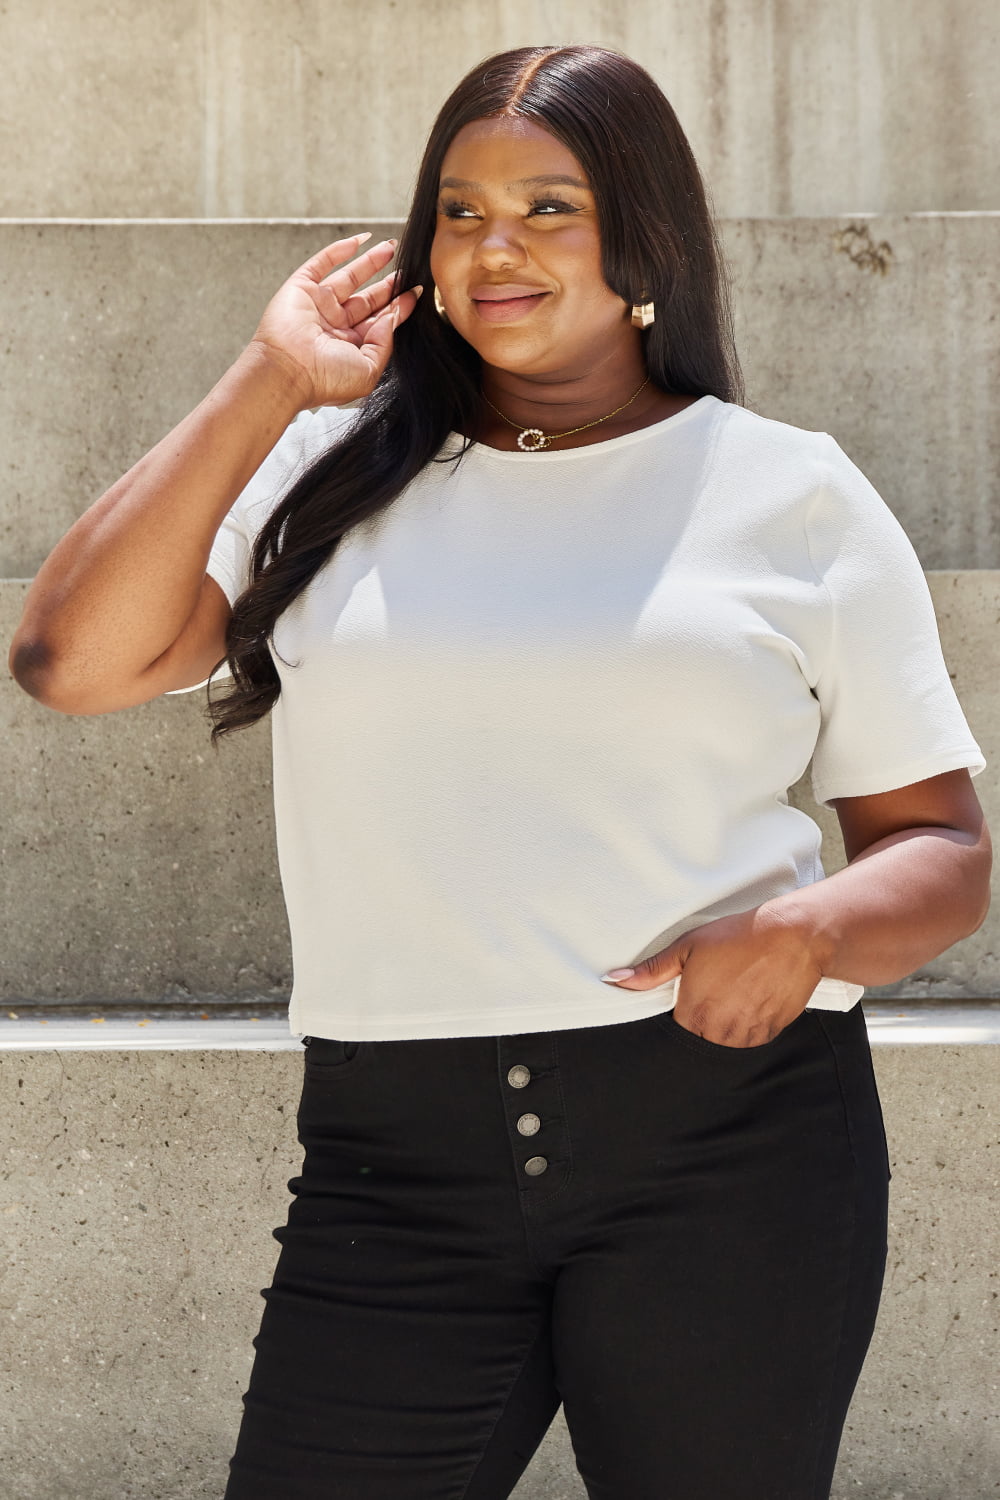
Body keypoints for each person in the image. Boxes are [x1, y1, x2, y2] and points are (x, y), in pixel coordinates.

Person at [9, 42, 990, 1500]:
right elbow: (70, 663)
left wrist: (808, 931)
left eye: (549, 206)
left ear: (643, 236)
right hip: (390, 1165)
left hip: (730, 1152)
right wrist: (270, 380)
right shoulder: (333, 469)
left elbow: (942, 846)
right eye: (458, 212)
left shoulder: (789, 491)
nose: (494, 247)